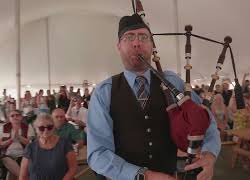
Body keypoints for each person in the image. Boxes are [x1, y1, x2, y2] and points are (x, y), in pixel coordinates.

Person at [87, 14, 221, 180]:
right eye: (129, 37)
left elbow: (205, 119)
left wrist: (209, 155)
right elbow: (97, 153)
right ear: (118, 46)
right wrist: (144, 176)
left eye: (144, 37)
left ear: (152, 45)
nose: (137, 43)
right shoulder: (104, 92)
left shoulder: (173, 83)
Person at [19, 114, 77, 180]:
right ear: (36, 129)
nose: (46, 131)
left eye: (49, 127)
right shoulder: (30, 148)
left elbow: (73, 168)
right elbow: (23, 175)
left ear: (54, 127)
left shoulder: (65, 144)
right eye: (41, 128)